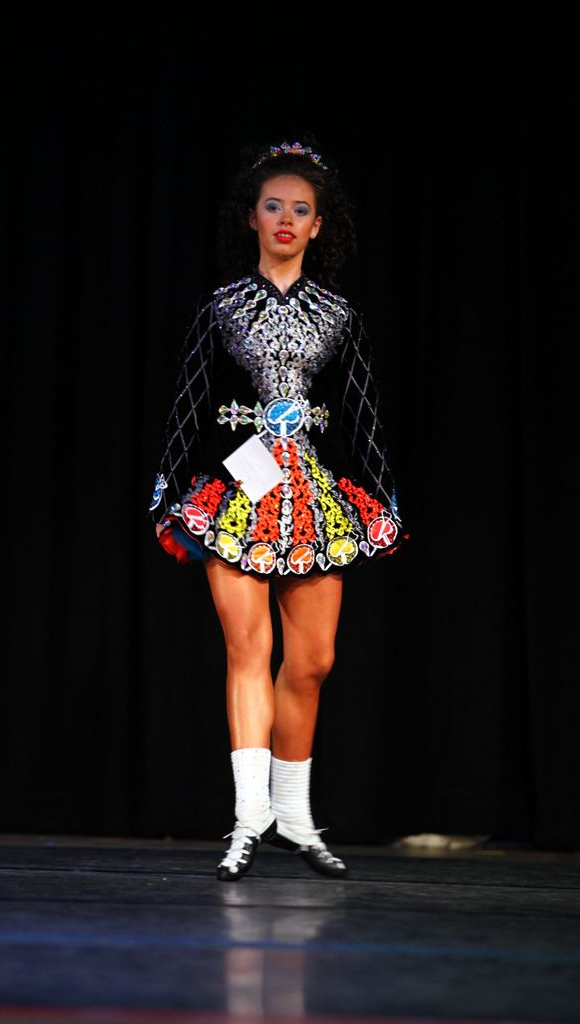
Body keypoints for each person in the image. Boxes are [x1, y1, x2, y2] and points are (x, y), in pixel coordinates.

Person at [147, 137, 409, 881]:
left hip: (313, 496)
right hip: (238, 490)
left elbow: (362, 414)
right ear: (252, 218)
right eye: (274, 207)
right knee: (248, 651)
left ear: (319, 226)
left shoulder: (339, 315)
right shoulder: (221, 307)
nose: (286, 219)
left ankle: (292, 815)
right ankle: (248, 818)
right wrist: (168, 492)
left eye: (300, 209)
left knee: (315, 661)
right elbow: (189, 403)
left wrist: (383, 498)